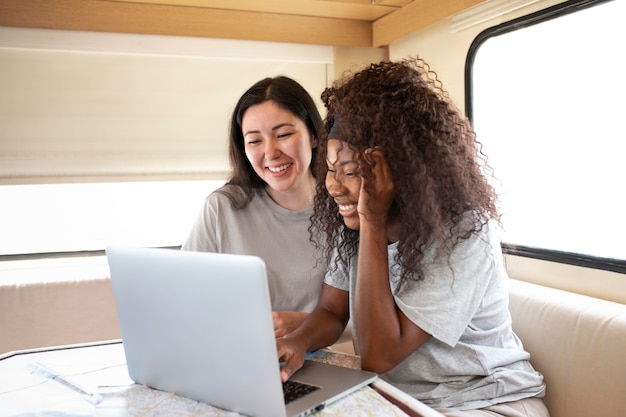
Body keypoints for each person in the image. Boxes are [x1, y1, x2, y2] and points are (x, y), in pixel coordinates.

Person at [277, 58, 550, 417]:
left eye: (351, 172)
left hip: (487, 399)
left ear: (400, 172)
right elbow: (332, 310)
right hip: (404, 398)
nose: (333, 186)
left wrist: (371, 216)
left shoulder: (464, 233)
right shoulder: (354, 229)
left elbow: (380, 354)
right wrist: (297, 341)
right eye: (330, 170)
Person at [183, 76, 325, 337]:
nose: (270, 153)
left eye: (283, 135)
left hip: (327, 359)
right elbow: (183, 300)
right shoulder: (222, 207)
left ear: (314, 136)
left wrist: (308, 324)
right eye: (255, 141)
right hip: (238, 355)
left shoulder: (346, 210)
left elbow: (368, 317)